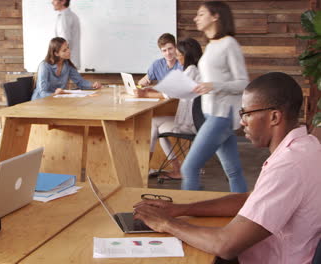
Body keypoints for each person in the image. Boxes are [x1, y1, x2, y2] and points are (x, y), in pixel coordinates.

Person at [133, 72, 321, 264]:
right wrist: (180, 209)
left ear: (274, 117)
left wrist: (166, 223)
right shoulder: (307, 145)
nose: (242, 122)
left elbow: (226, 246)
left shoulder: (288, 166)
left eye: (246, 114)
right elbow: (251, 200)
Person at [181, 1, 248, 192]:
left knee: (189, 167)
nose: (196, 18)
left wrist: (214, 86)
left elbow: (243, 83)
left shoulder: (229, 44)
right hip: (211, 114)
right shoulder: (211, 45)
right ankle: (244, 212)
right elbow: (211, 79)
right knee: (233, 171)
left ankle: (187, 214)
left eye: (201, 14)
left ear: (215, 16)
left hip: (221, 115)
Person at [135, 38, 202, 179]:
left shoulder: (191, 70)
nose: (176, 57)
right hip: (191, 120)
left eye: (178, 55)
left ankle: (143, 170)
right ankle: (176, 169)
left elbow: (171, 92)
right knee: (156, 127)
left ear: (186, 55)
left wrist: (147, 93)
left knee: (154, 124)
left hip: (190, 123)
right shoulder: (194, 69)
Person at [31, 37, 101, 100]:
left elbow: (80, 82)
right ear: (56, 53)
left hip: (57, 100)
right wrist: (55, 94)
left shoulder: (67, 65)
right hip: (40, 102)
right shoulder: (44, 66)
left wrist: (92, 85)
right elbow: (42, 93)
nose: (69, 51)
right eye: (64, 50)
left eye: (68, 48)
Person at [52, 0, 81, 68]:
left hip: (66, 63)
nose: (52, 2)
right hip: (68, 62)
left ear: (63, 1)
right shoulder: (67, 15)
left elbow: (64, 42)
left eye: (54, 0)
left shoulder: (65, 17)